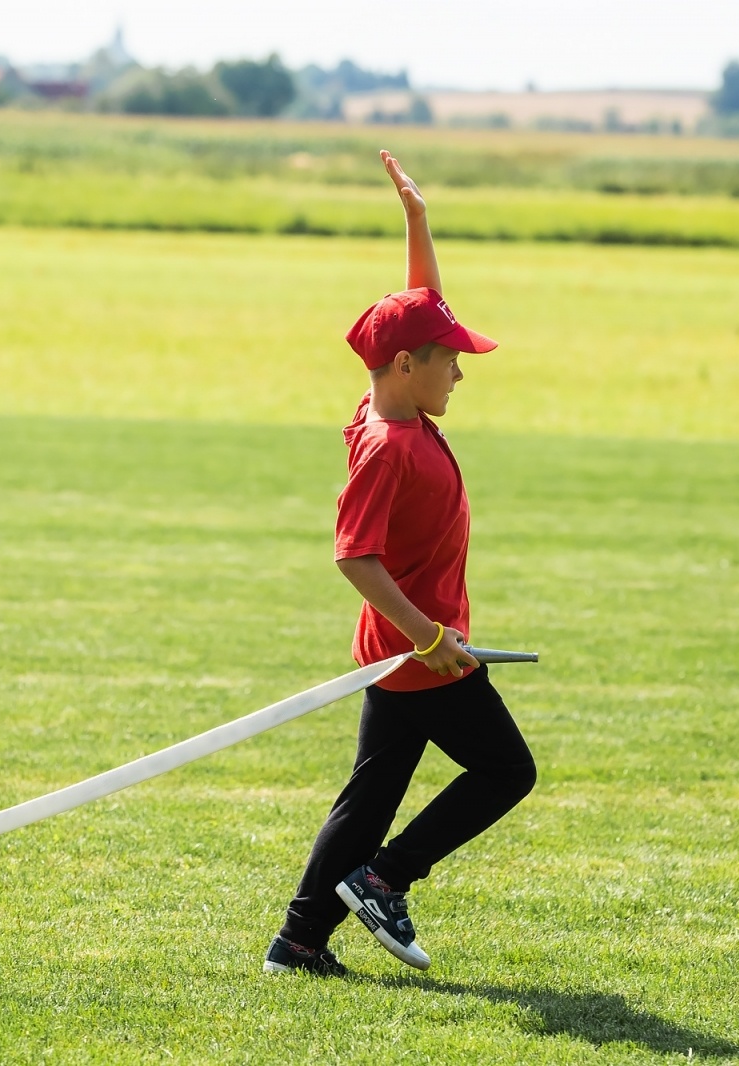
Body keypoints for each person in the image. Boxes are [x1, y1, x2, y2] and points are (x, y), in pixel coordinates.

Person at [264, 151, 537, 977]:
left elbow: (414, 319)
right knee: (506, 771)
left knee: (369, 798)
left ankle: (298, 942)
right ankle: (383, 880)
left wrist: (418, 226)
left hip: (398, 653)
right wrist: (427, 638)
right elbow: (355, 558)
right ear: (409, 368)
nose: (460, 370)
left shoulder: (385, 399)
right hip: (419, 657)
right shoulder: (388, 448)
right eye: (450, 360)